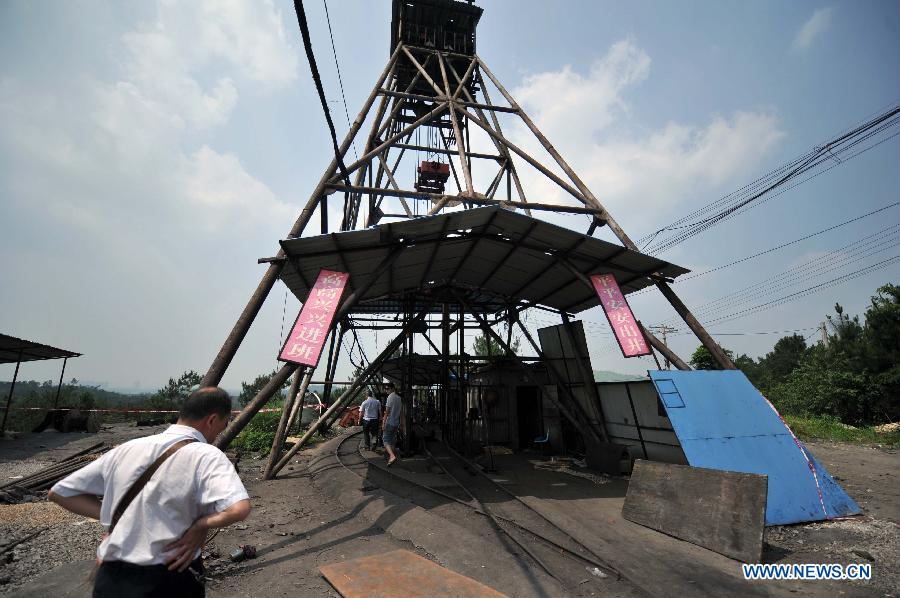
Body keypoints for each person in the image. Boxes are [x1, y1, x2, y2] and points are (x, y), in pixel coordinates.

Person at [49, 387, 251, 597]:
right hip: (169, 577)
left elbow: (59, 493)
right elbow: (239, 508)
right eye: (223, 424)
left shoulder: (126, 449)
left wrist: (119, 519)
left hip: (111, 577)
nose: (220, 430)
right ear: (212, 420)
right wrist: (200, 524)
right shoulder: (206, 455)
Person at [382, 383, 402, 466]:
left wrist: (383, 423)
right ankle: (392, 458)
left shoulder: (390, 397)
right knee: (393, 441)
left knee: (385, 440)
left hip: (390, 422)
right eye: (386, 389)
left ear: (392, 388)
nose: (386, 390)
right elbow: (401, 412)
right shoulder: (399, 398)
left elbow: (387, 412)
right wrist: (401, 424)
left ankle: (392, 456)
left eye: (388, 388)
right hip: (396, 423)